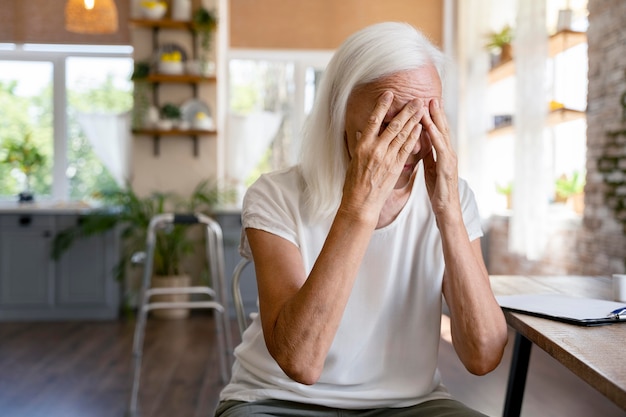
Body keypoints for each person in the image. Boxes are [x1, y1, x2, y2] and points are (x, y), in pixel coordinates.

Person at [216, 21, 508, 417]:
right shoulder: (275, 195)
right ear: (339, 109)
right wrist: (359, 207)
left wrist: (449, 215)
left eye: (424, 123)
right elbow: (300, 361)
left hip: (410, 404)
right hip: (278, 400)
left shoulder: (454, 199)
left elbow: (484, 355)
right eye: (391, 123)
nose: (411, 144)